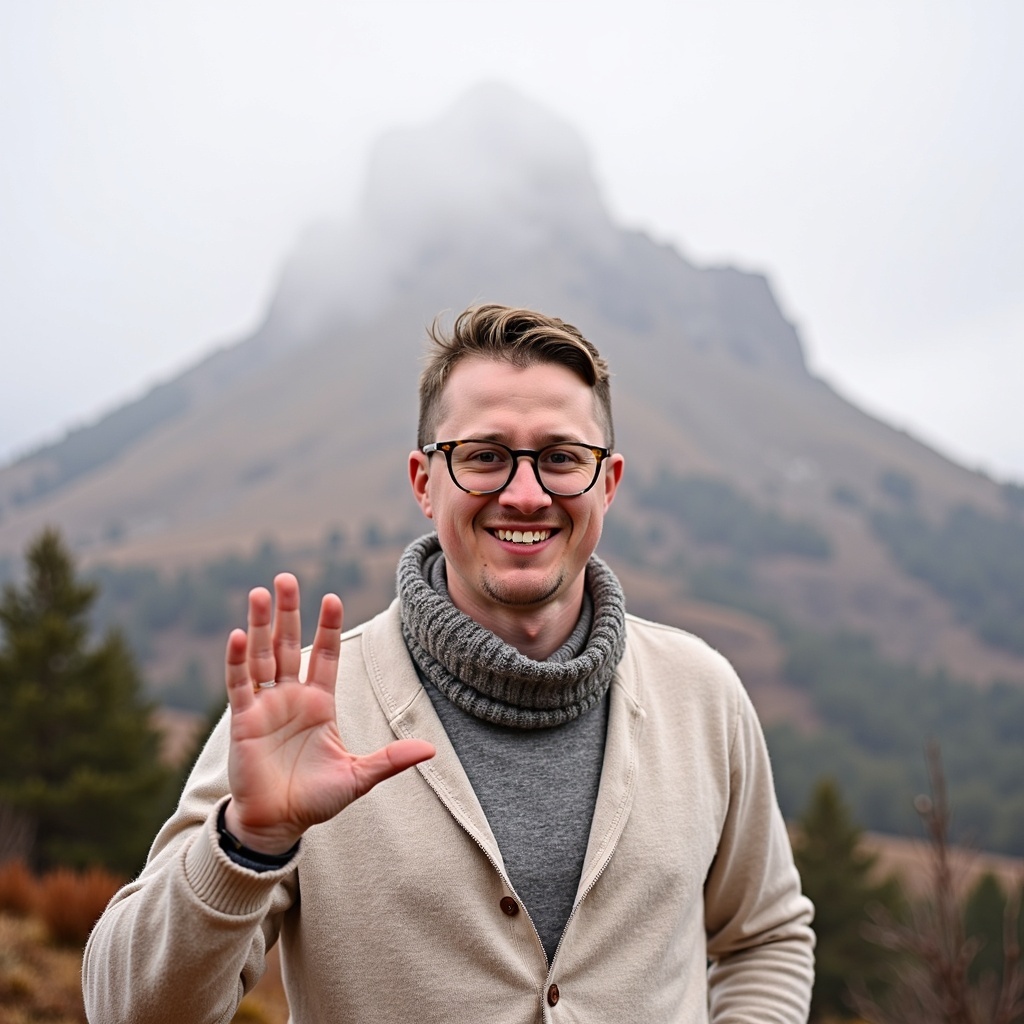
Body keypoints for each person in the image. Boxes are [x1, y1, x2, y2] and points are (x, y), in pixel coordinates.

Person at [84, 304, 814, 1022]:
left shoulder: (702, 693)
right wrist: (246, 843)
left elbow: (766, 938)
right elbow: (125, 1010)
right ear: (423, 481)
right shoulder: (310, 708)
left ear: (608, 482)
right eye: (484, 456)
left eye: (561, 458)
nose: (524, 495)